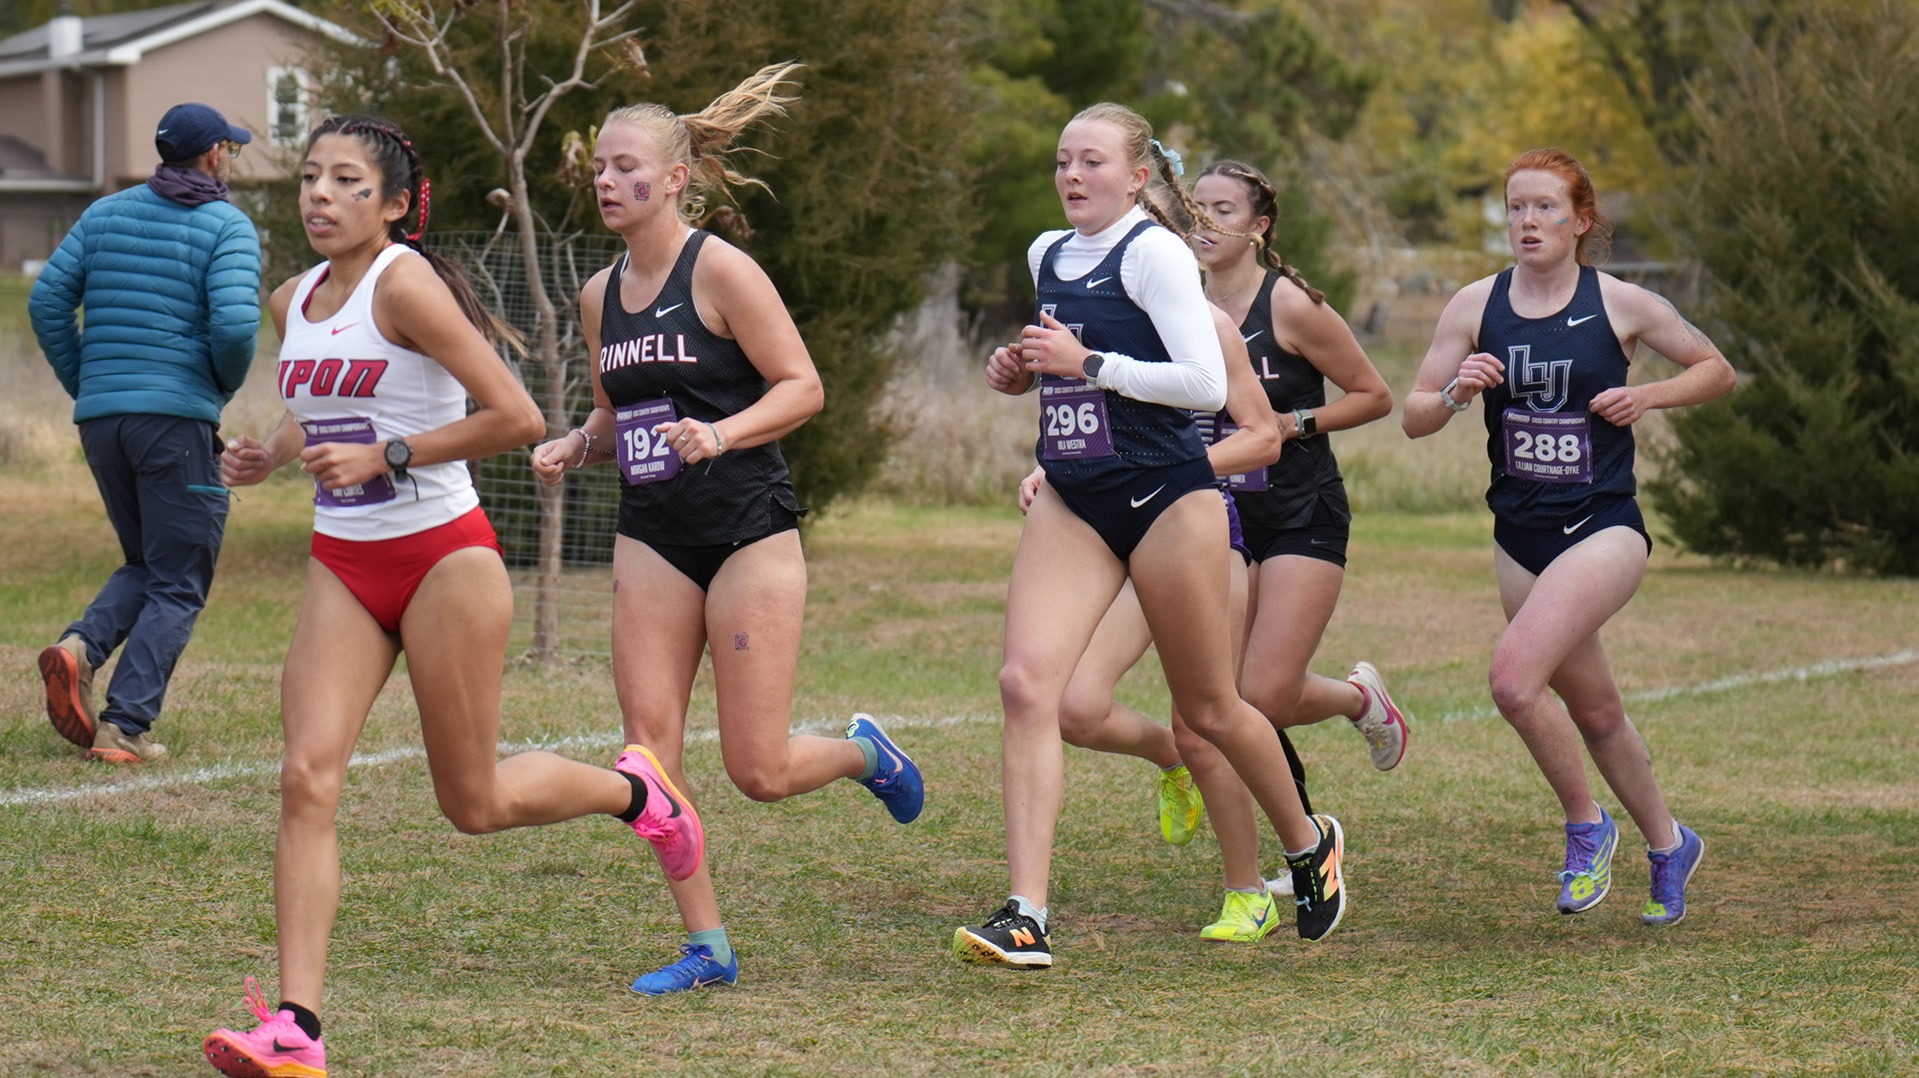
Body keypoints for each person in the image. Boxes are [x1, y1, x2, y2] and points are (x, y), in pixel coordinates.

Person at [202, 115, 703, 1078]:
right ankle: (298, 1027)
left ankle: (638, 791)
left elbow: (514, 416)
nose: (318, 195)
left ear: (393, 205)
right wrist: (268, 452)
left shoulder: (408, 283)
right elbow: (320, 413)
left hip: (444, 559)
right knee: (306, 777)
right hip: (344, 561)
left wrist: (391, 453)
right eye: (310, 177)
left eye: (346, 182)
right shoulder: (290, 298)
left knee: (472, 804)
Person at [529, 63, 925, 997]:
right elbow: (611, 415)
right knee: (648, 760)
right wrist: (571, 446)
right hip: (652, 532)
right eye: (599, 168)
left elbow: (802, 387)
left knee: (760, 769)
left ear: (673, 179)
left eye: (627, 167)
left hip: (748, 527)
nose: (606, 180)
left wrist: (720, 432)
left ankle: (868, 752)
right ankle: (707, 945)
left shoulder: (721, 269)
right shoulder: (599, 294)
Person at [956, 103, 1347, 971]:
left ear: (1136, 177)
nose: (1070, 175)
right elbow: (1065, 371)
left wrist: (1086, 364)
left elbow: (1204, 384)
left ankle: (1306, 840)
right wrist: (1018, 373)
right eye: (1062, 160)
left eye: (1091, 161)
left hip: (1170, 495)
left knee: (1210, 710)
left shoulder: (1156, 253)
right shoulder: (1046, 254)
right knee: (1027, 686)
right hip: (1073, 492)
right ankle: (1026, 914)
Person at [1403, 148, 1733, 927]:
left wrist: (1646, 393)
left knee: (1514, 681)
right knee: (1597, 712)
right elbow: (1413, 415)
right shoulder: (1473, 305)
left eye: (1545, 207)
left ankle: (1587, 826)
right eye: (1515, 207)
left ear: (1580, 220)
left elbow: (1715, 369)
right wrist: (1456, 392)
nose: (1526, 220)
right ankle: (1668, 843)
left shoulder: (1620, 303)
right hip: (1519, 536)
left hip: (1603, 529)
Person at [1018, 300, 1292, 942]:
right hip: (1112, 524)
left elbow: (1264, 436)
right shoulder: (1094, 320)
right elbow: (1098, 429)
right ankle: (1170, 759)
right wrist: (1051, 472)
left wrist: (1169, 476)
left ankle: (1250, 891)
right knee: (1076, 708)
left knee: (1205, 719)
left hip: (1193, 531)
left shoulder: (1211, 326)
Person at [29, 102, 262, 764]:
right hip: (174, 423)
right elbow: (238, 329)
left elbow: (47, 300)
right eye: (231, 150)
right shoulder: (227, 227)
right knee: (181, 575)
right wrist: (214, 390)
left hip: (103, 422)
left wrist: (89, 383)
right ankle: (125, 726)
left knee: (149, 562)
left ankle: (79, 649)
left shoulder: (104, 214)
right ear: (215, 154)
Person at [1190, 159, 1407, 774]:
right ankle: (1300, 841)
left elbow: (1375, 395)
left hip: (1299, 512)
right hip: (1217, 521)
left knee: (1265, 694)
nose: (1203, 221)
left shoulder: (1289, 306)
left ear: (1258, 227)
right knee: (1224, 701)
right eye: (1196, 207)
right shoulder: (1177, 307)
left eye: (1223, 210)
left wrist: (1293, 423)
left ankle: (1360, 699)